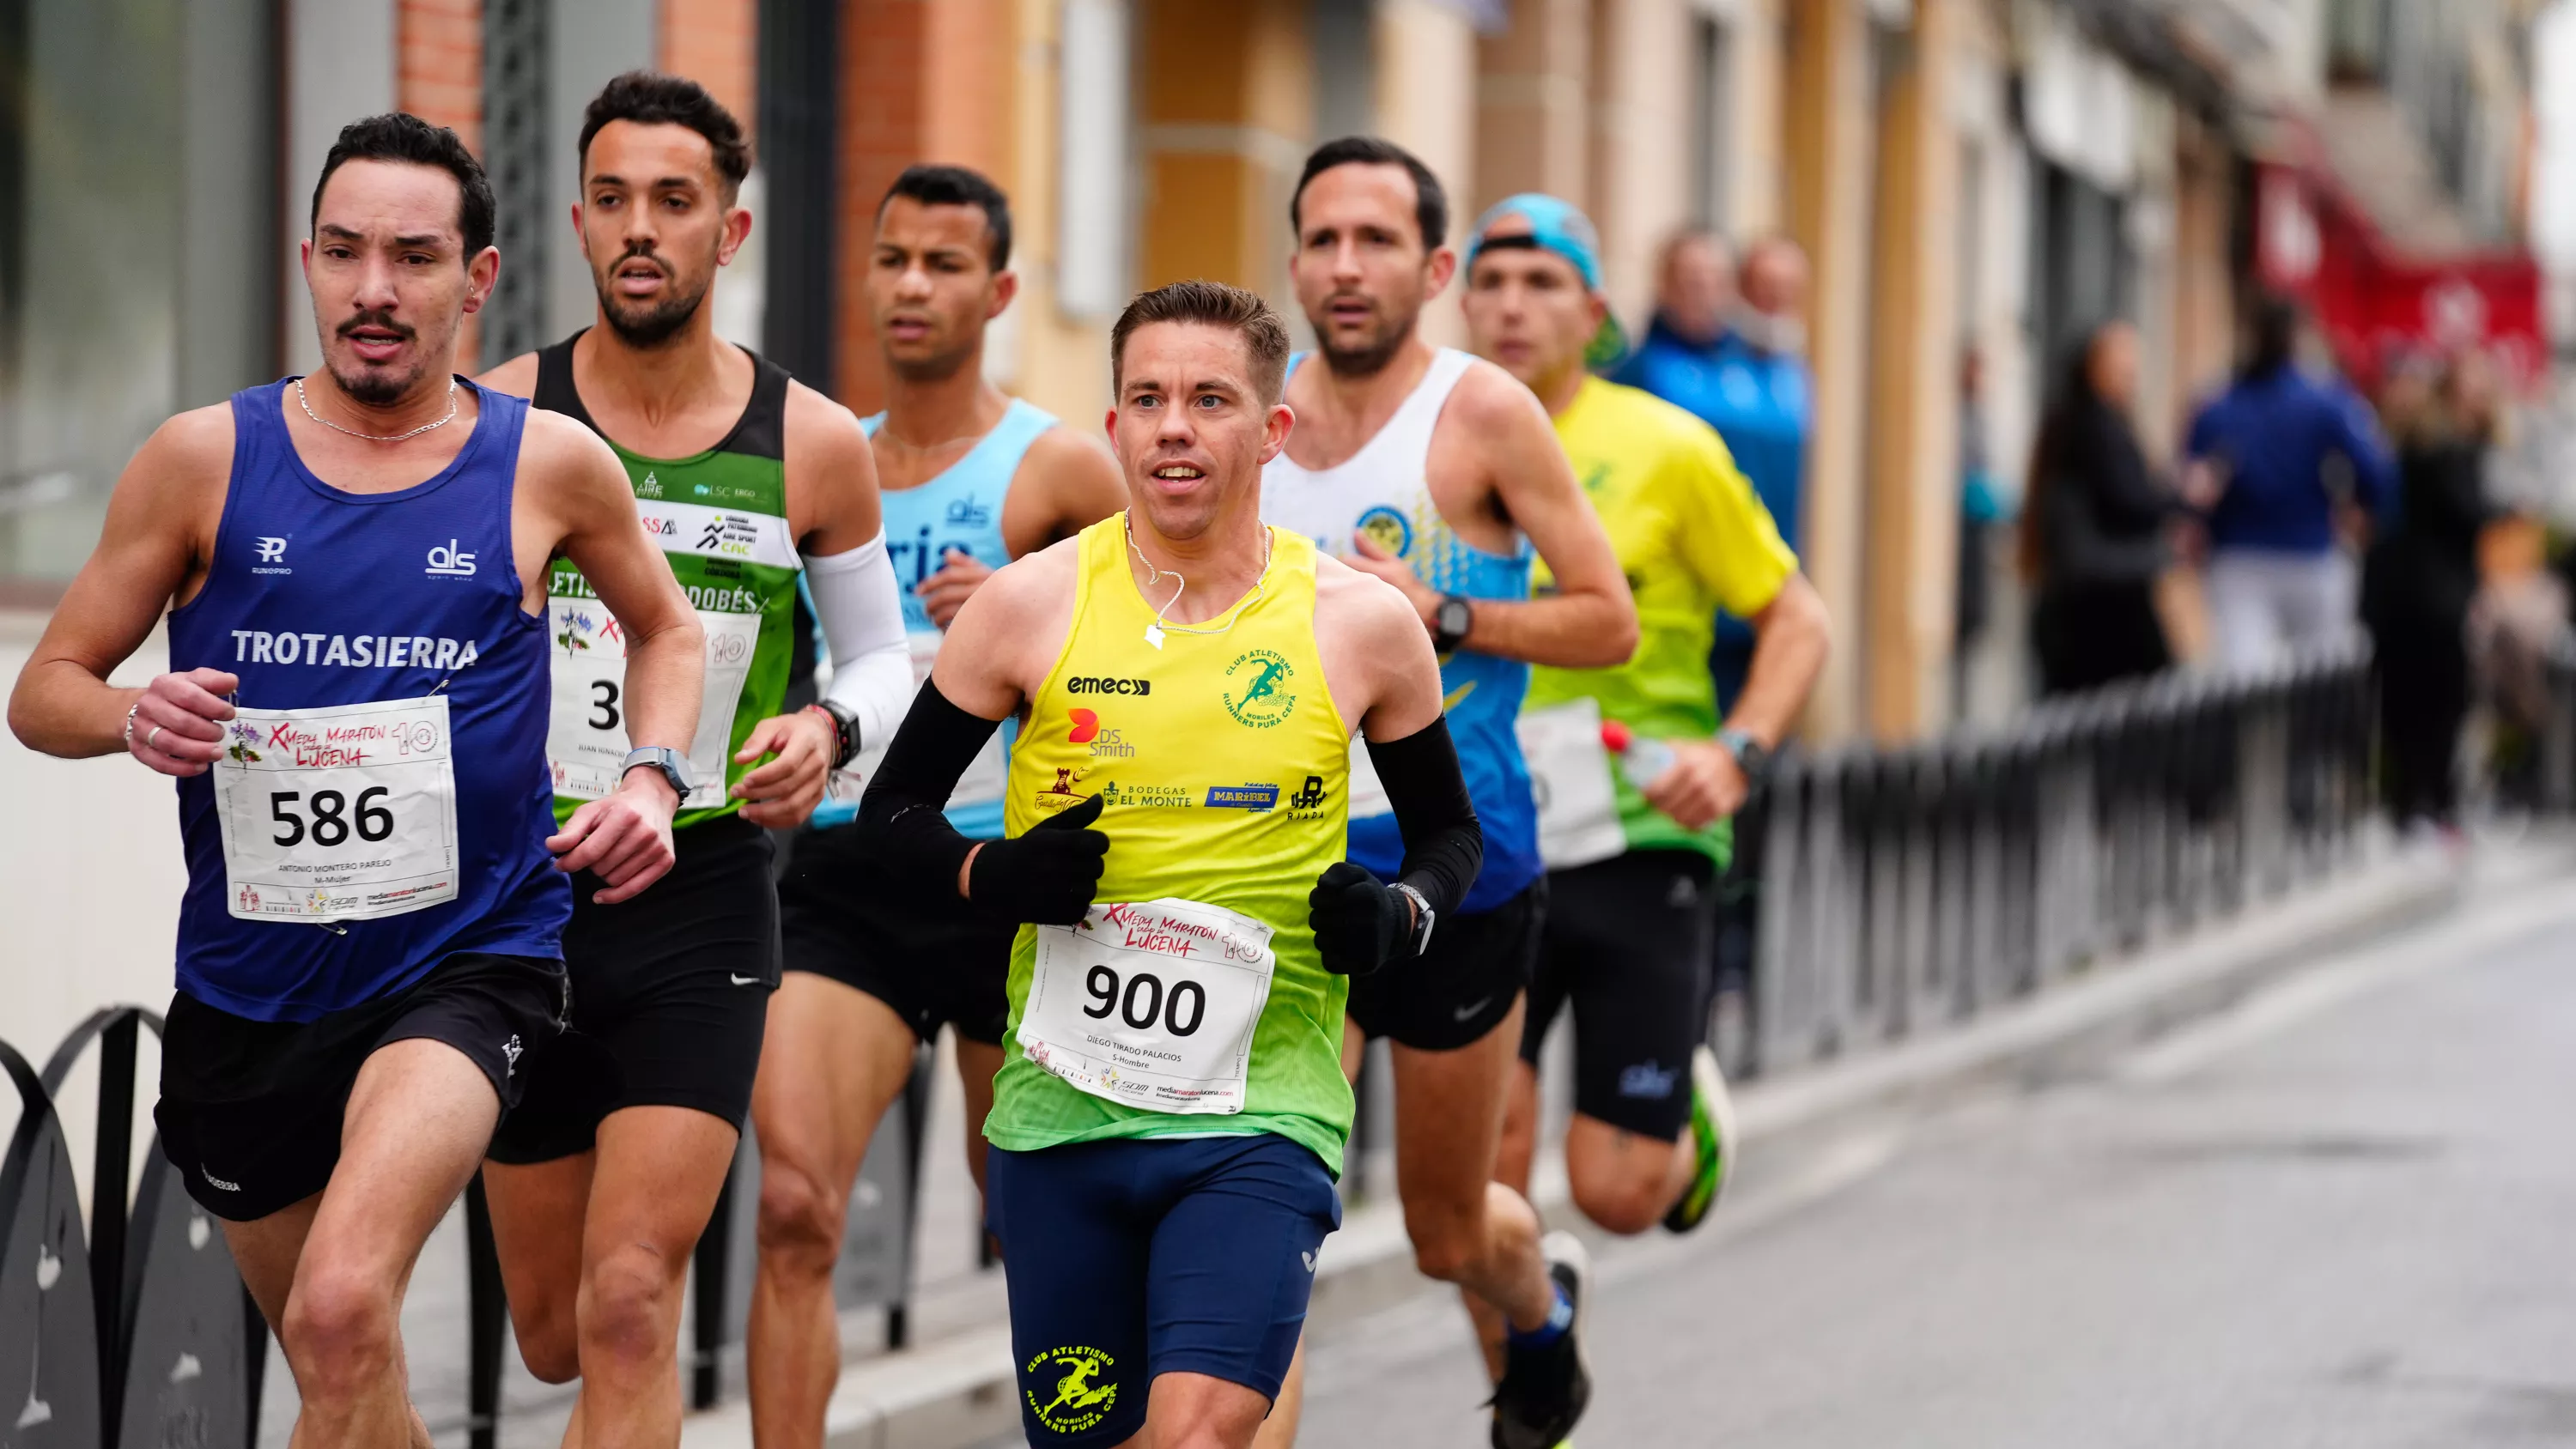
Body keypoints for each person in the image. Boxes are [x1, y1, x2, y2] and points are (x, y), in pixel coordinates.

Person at [5, 112, 705, 1449]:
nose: (375, 290)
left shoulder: (547, 463)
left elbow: (666, 626)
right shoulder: (203, 458)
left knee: (338, 1307)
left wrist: (654, 779)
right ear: (309, 264)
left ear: (478, 280)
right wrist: (132, 713)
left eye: (414, 256)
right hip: (248, 986)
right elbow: (47, 691)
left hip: (468, 958)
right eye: (344, 252)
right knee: (345, 1359)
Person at [854, 279, 1482, 1449]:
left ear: (1271, 432)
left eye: (1208, 399)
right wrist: (998, 878)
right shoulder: (1027, 606)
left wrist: (1402, 913)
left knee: (1194, 1436)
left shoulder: (1358, 622)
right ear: (1114, 429)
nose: (1174, 426)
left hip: (1261, 1113)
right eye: (1146, 399)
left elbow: (1451, 836)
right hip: (1060, 1123)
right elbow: (892, 817)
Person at [473, 72, 914, 1446]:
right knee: (552, 1332)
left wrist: (826, 729)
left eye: (674, 201)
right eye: (612, 201)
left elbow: (885, 664)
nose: (640, 229)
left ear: (730, 232)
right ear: (580, 223)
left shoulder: (816, 443)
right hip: (517, 903)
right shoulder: (499, 421)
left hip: (706, 896)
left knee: (628, 1299)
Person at [1261, 137, 1636, 1449]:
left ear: (1431, 269)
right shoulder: (1253, 415)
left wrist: (1450, 612)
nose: (1345, 268)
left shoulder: (1482, 415)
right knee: (1269, 1212)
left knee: (1445, 1229)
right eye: (1322, 240)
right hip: (1273, 869)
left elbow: (1609, 621)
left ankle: (1538, 1312)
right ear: (1295, 258)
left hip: (1453, 865)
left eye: (1375, 242)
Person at [747, 163, 1126, 1449]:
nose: (912, 286)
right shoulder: (822, 460)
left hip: (1006, 884)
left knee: (1024, 1214)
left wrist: (1033, 622)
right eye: (893, 258)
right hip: (850, 870)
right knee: (795, 1205)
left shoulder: (1059, 468)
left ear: (1002, 289)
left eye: (946, 264)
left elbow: (1163, 646)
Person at [1460, 194, 1826, 1255]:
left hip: (1640, 820)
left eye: (1545, 285)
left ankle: (1686, 1113)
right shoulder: (1434, 446)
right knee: (1493, 1142)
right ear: (1463, 299)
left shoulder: (1668, 446)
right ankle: (1537, 1343)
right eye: (1493, 282)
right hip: (1491, 828)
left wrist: (1737, 749)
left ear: (1596, 312)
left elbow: (1795, 616)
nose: (1515, 307)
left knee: (1619, 1188)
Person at [2184, 295, 2397, 672]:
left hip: (2239, 558)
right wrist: (2366, 513)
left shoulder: (2217, 405)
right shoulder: (2328, 400)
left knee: (2243, 682)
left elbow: (2190, 487)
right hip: (2310, 556)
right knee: (2317, 685)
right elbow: (2377, 471)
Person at [2362, 353, 2497, 831]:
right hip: (2433, 597)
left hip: (2403, 595)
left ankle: (2416, 802)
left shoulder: (2416, 448)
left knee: (2412, 700)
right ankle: (2430, 803)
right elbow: (2470, 515)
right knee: (2438, 700)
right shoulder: (2446, 452)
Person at [2020, 321, 2178, 697]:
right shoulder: (2097, 428)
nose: (2132, 378)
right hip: (2103, 607)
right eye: (2123, 367)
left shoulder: (2070, 422)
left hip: (2080, 600)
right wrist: (2178, 499)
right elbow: (2131, 500)